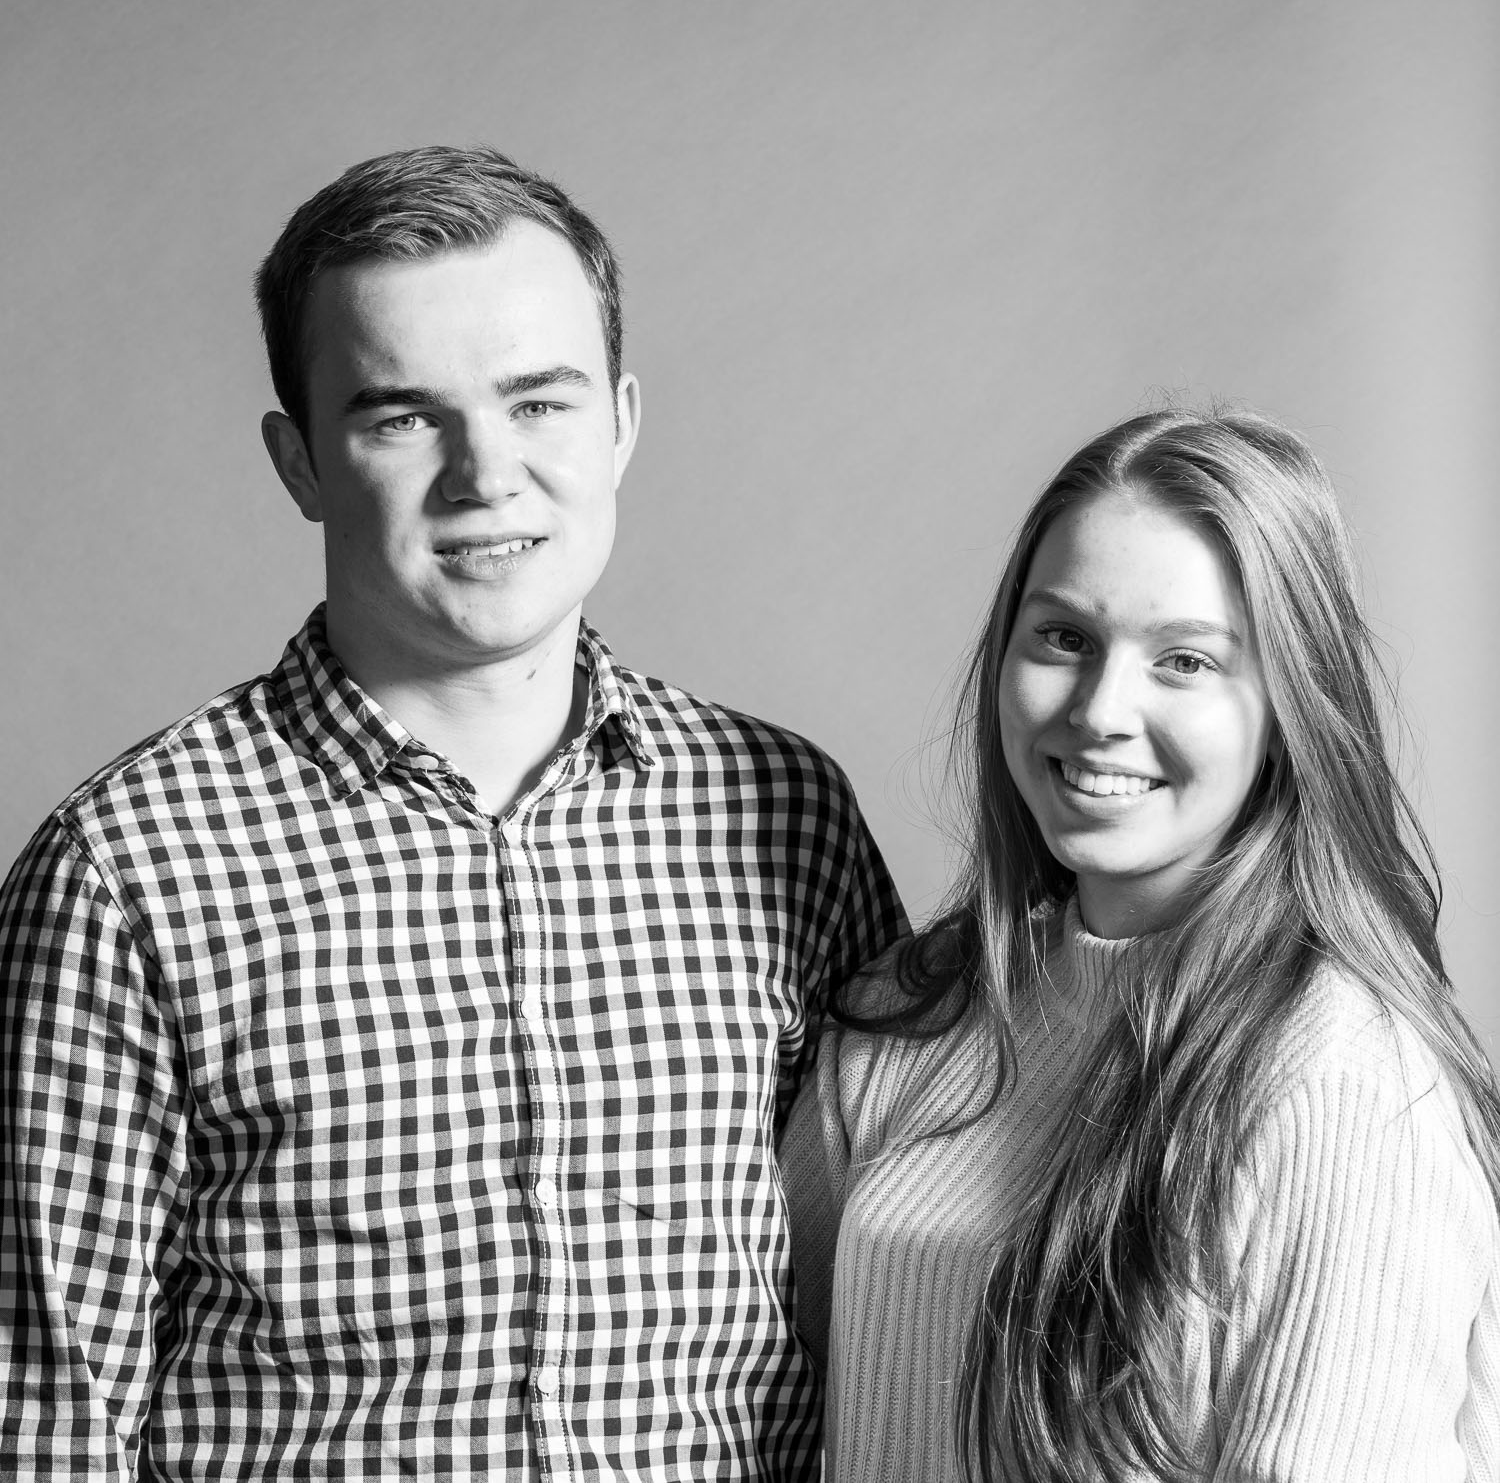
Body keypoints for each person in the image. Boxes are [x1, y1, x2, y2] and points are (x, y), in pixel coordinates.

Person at [0, 145, 906, 1481]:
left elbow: (895, 1279)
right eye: (402, 418)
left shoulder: (786, 816)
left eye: (539, 401)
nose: (487, 473)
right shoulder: (125, 869)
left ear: (621, 423)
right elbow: (42, 1414)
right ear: (300, 463)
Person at [784, 409, 1500, 1481]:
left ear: (1290, 707)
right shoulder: (911, 1015)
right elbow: (759, 1392)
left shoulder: (1339, 1081)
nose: (1102, 711)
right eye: (1065, 638)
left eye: (1184, 661)